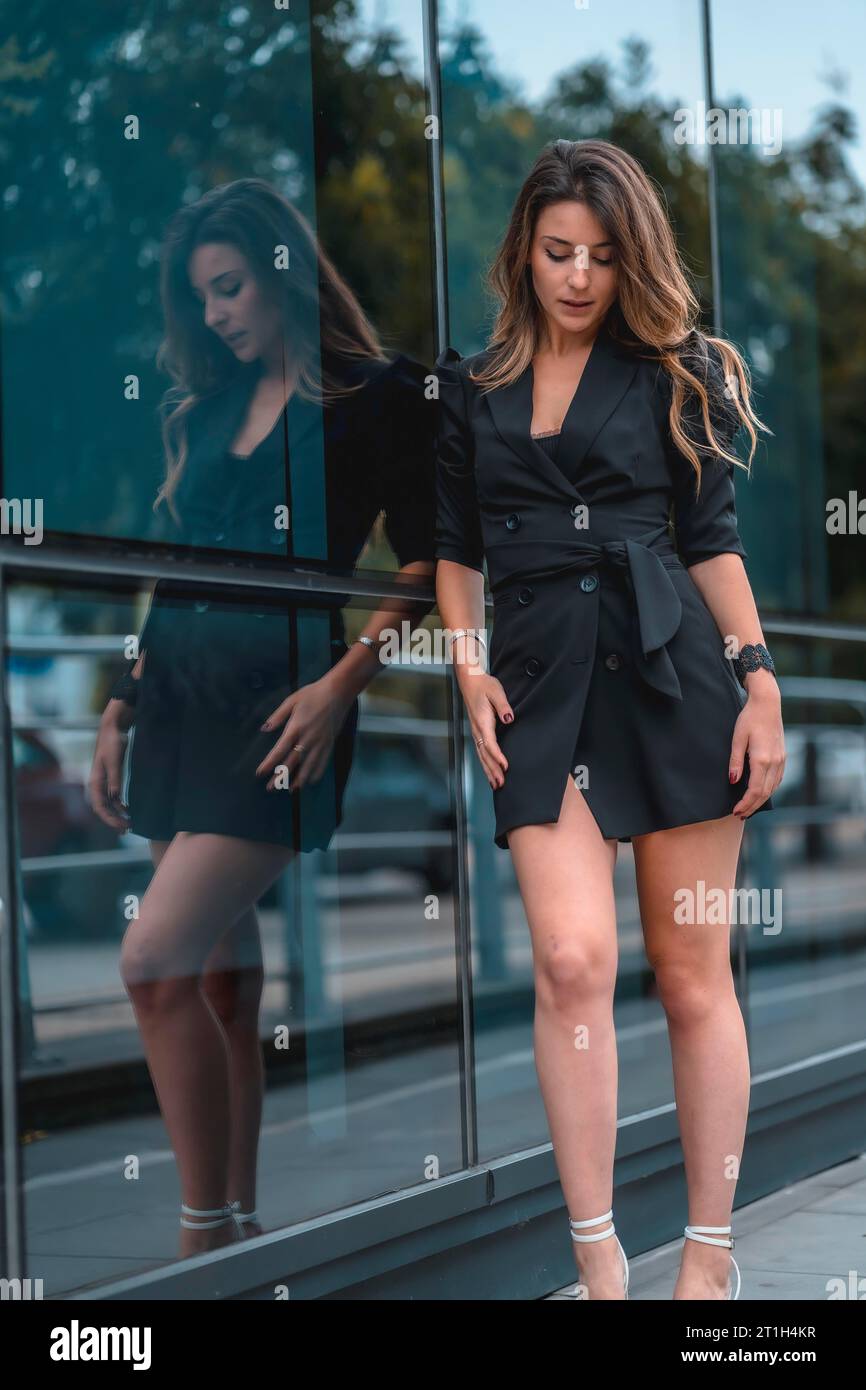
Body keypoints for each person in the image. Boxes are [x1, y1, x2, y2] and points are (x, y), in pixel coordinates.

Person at [433, 139, 785, 1300]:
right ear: (521, 251)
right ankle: (597, 1264)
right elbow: (452, 550)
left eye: (597, 256)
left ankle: (707, 1254)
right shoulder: (470, 390)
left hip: (672, 679)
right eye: (555, 253)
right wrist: (466, 666)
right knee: (571, 960)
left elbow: (710, 541)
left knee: (692, 980)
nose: (576, 277)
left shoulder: (667, 371)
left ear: (628, 260)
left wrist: (760, 681)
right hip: (536, 691)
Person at [89, 178, 435, 1258]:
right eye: (202, 300)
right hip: (180, 709)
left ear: (282, 271)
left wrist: (346, 684)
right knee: (223, 985)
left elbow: (425, 562)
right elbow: (173, 572)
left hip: (283, 713)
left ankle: (197, 1238)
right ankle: (238, 1224)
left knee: (150, 962)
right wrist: (118, 702)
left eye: (231, 288)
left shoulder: (380, 397)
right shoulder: (200, 411)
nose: (219, 315)